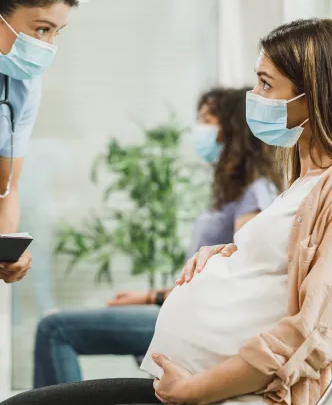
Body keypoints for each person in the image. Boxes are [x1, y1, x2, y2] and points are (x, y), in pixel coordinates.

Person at [5, 18, 332, 405]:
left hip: (222, 395)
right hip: (190, 389)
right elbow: (279, 265)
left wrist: (196, 390)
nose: (255, 96)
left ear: (315, 96)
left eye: (266, 83)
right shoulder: (304, 181)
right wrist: (223, 255)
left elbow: (315, 330)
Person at [32, 87, 282, 388]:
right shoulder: (233, 191)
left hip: (199, 321)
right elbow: (202, 273)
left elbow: (238, 272)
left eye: (208, 119)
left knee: (55, 330)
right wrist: (150, 297)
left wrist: (154, 298)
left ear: (233, 127)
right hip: (185, 310)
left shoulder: (255, 191)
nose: (200, 128)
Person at [0, 0, 78, 283]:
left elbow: (6, 188)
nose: (47, 45)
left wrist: (5, 254)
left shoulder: (23, 85)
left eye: (56, 32)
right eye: (41, 29)